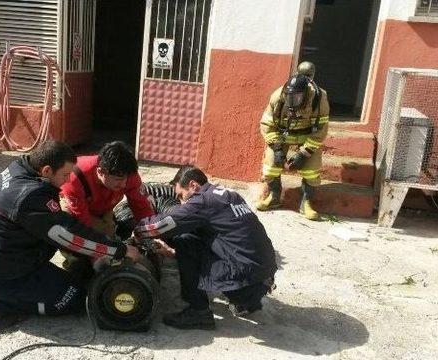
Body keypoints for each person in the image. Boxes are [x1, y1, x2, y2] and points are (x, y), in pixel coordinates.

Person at [0, 140, 139, 327]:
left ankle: (6, 291)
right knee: (79, 299)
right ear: (46, 170)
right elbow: (69, 236)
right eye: (65, 174)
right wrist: (119, 250)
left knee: (76, 283)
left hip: (2, 259)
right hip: (2, 274)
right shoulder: (28, 196)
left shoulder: (21, 168)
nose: (68, 179)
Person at [134, 166, 277, 330]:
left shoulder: (203, 201)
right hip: (264, 276)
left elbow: (164, 224)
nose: (181, 203)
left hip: (246, 283)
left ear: (193, 186)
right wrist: (174, 253)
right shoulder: (229, 194)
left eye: (181, 196)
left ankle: (198, 312)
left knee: (184, 240)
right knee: (196, 235)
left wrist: (138, 231)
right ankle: (247, 301)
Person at [59, 141, 154, 277]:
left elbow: (141, 206)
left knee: (109, 245)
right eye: (118, 179)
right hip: (76, 212)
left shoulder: (128, 174)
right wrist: (96, 254)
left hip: (104, 208)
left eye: (127, 179)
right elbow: (83, 226)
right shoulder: (74, 179)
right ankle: (74, 276)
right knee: (79, 251)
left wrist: (151, 234)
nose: (124, 184)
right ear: (100, 172)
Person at [256, 61, 329, 220]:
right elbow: (267, 124)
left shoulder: (319, 97)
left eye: (297, 97)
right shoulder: (278, 96)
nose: (293, 100)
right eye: (290, 96)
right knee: (270, 166)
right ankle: (274, 197)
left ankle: (306, 203)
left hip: (308, 136)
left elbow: (322, 128)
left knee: (312, 170)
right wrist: (276, 149)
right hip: (283, 135)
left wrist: (304, 153)